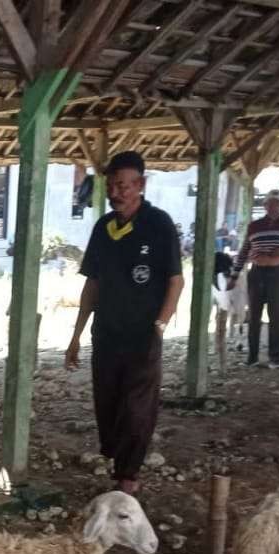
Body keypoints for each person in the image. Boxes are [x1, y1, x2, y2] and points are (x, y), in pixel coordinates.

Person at [64, 151, 184, 496]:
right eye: (111, 185)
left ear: (140, 185)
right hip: (106, 332)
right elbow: (93, 284)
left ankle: (128, 475)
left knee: (137, 405)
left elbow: (176, 281)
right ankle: (118, 462)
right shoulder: (104, 228)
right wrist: (75, 336)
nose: (116, 192)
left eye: (123, 185)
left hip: (142, 334)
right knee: (108, 401)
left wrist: (159, 325)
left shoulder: (158, 225)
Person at [228, 188, 279, 368]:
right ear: (265, 205)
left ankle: (276, 358)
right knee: (253, 316)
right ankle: (252, 357)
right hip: (257, 272)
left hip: (278, 273)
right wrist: (234, 275)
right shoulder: (254, 226)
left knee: (277, 317)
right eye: (269, 204)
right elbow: (244, 251)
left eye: (276, 204)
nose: (272, 207)